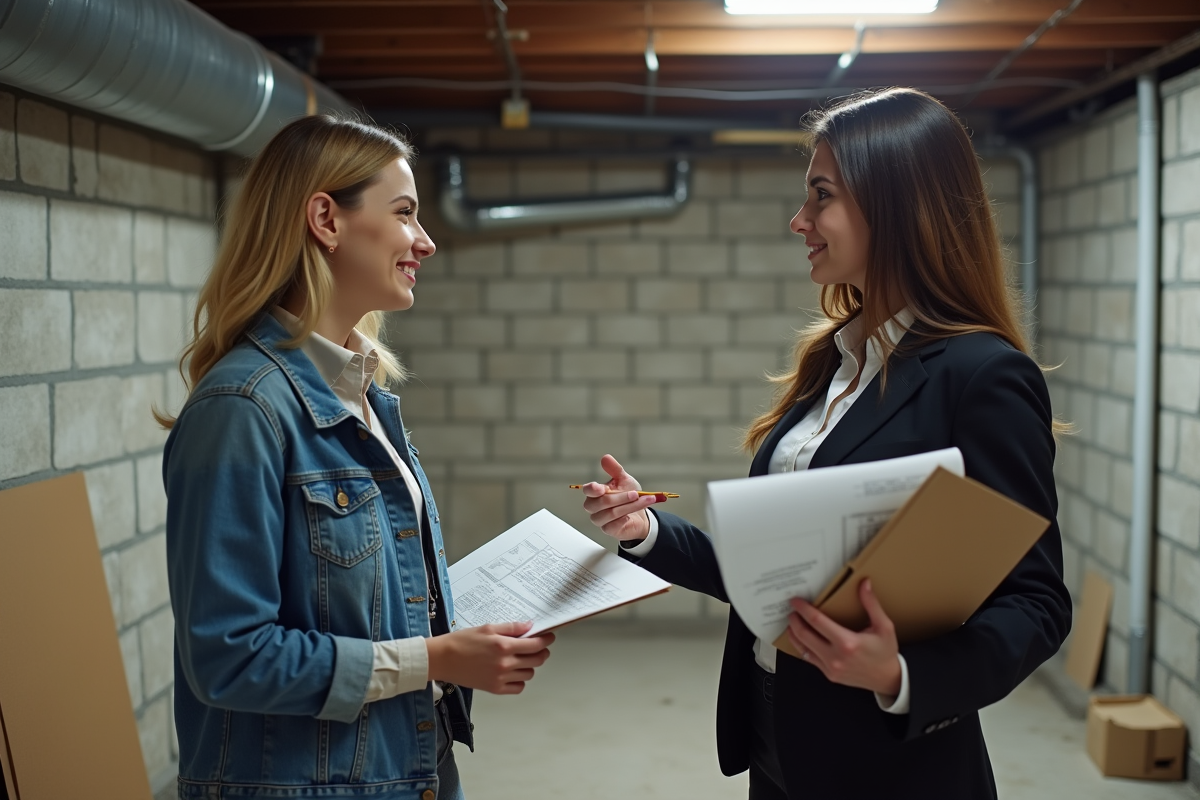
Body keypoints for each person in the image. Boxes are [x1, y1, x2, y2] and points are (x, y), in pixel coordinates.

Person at [580, 88, 1071, 799]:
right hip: (777, 735)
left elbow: (1036, 601)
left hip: (891, 764)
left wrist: (902, 675)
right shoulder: (833, 361)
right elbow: (783, 582)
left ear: (896, 205)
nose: (799, 220)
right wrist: (647, 531)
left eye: (821, 196)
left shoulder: (982, 376)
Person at [159, 114, 554, 800]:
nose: (425, 240)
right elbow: (229, 657)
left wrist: (460, 638)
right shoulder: (242, 409)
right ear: (326, 220)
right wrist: (433, 657)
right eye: (404, 213)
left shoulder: (360, 393)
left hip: (408, 766)